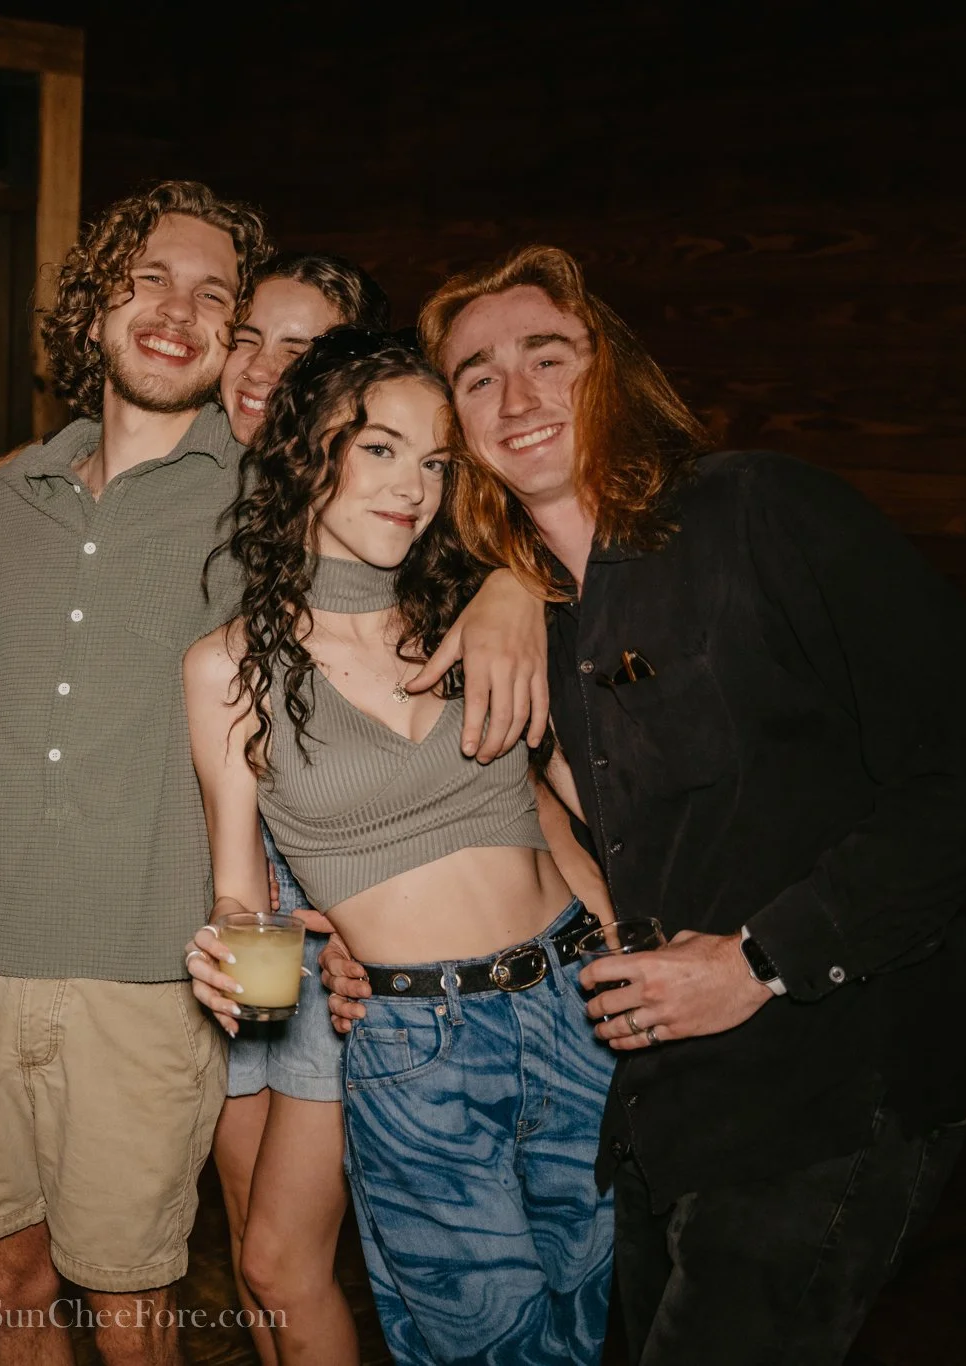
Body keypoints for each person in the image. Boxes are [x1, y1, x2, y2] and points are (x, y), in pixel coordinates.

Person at [367, 244, 966, 1365]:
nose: (517, 394)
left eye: (548, 355)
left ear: (613, 374)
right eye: (477, 375)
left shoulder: (762, 513)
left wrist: (758, 959)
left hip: (832, 1085)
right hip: (666, 1100)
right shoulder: (538, 612)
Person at [0, 180, 551, 1366]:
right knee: (3, 1270)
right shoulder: (6, 496)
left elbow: (461, 519)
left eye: (216, 296)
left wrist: (518, 585)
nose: (178, 311)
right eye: (146, 278)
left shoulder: (280, 494)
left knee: (150, 1292)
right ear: (93, 302)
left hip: (157, 968)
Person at [184, 327, 617, 1366]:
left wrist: (620, 944)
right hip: (418, 1045)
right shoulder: (227, 668)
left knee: (613, 1316)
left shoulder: (482, 612)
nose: (411, 488)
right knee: (481, 1341)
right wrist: (241, 960)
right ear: (308, 450)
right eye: (378, 449)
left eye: (433, 462)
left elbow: (573, 804)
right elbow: (241, 890)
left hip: (576, 998)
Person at [210, 251, 391, 1366]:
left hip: (336, 936)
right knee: (245, 1251)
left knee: (286, 1261)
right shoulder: (194, 489)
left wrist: (514, 597)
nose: (261, 369)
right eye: (248, 337)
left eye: (300, 350)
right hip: (234, 933)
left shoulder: (380, 514)